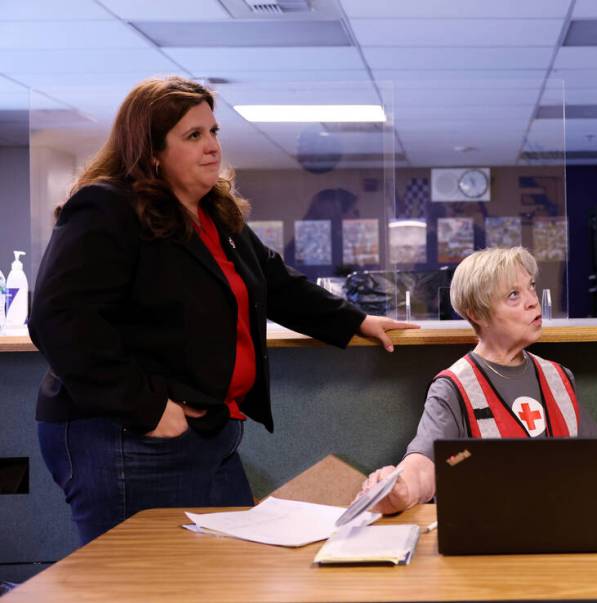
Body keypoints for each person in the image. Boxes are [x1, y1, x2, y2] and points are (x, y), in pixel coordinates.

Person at [28, 76, 417, 545]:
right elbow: (59, 320)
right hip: (126, 435)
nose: (212, 146)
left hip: (208, 431)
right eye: (193, 136)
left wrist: (356, 320)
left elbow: (274, 282)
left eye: (213, 132)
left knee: (225, 571)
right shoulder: (108, 208)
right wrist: (147, 407)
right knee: (142, 586)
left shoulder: (212, 212)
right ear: (151, 151)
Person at [360, 247, 597, 514]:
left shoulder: (558, 376)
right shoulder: (453, 387)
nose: (533, 300)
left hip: (565, 526)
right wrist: (401, 489)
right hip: (492, 535)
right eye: (513, 295)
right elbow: (424, 466)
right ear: (477, 313)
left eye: (531, 287)